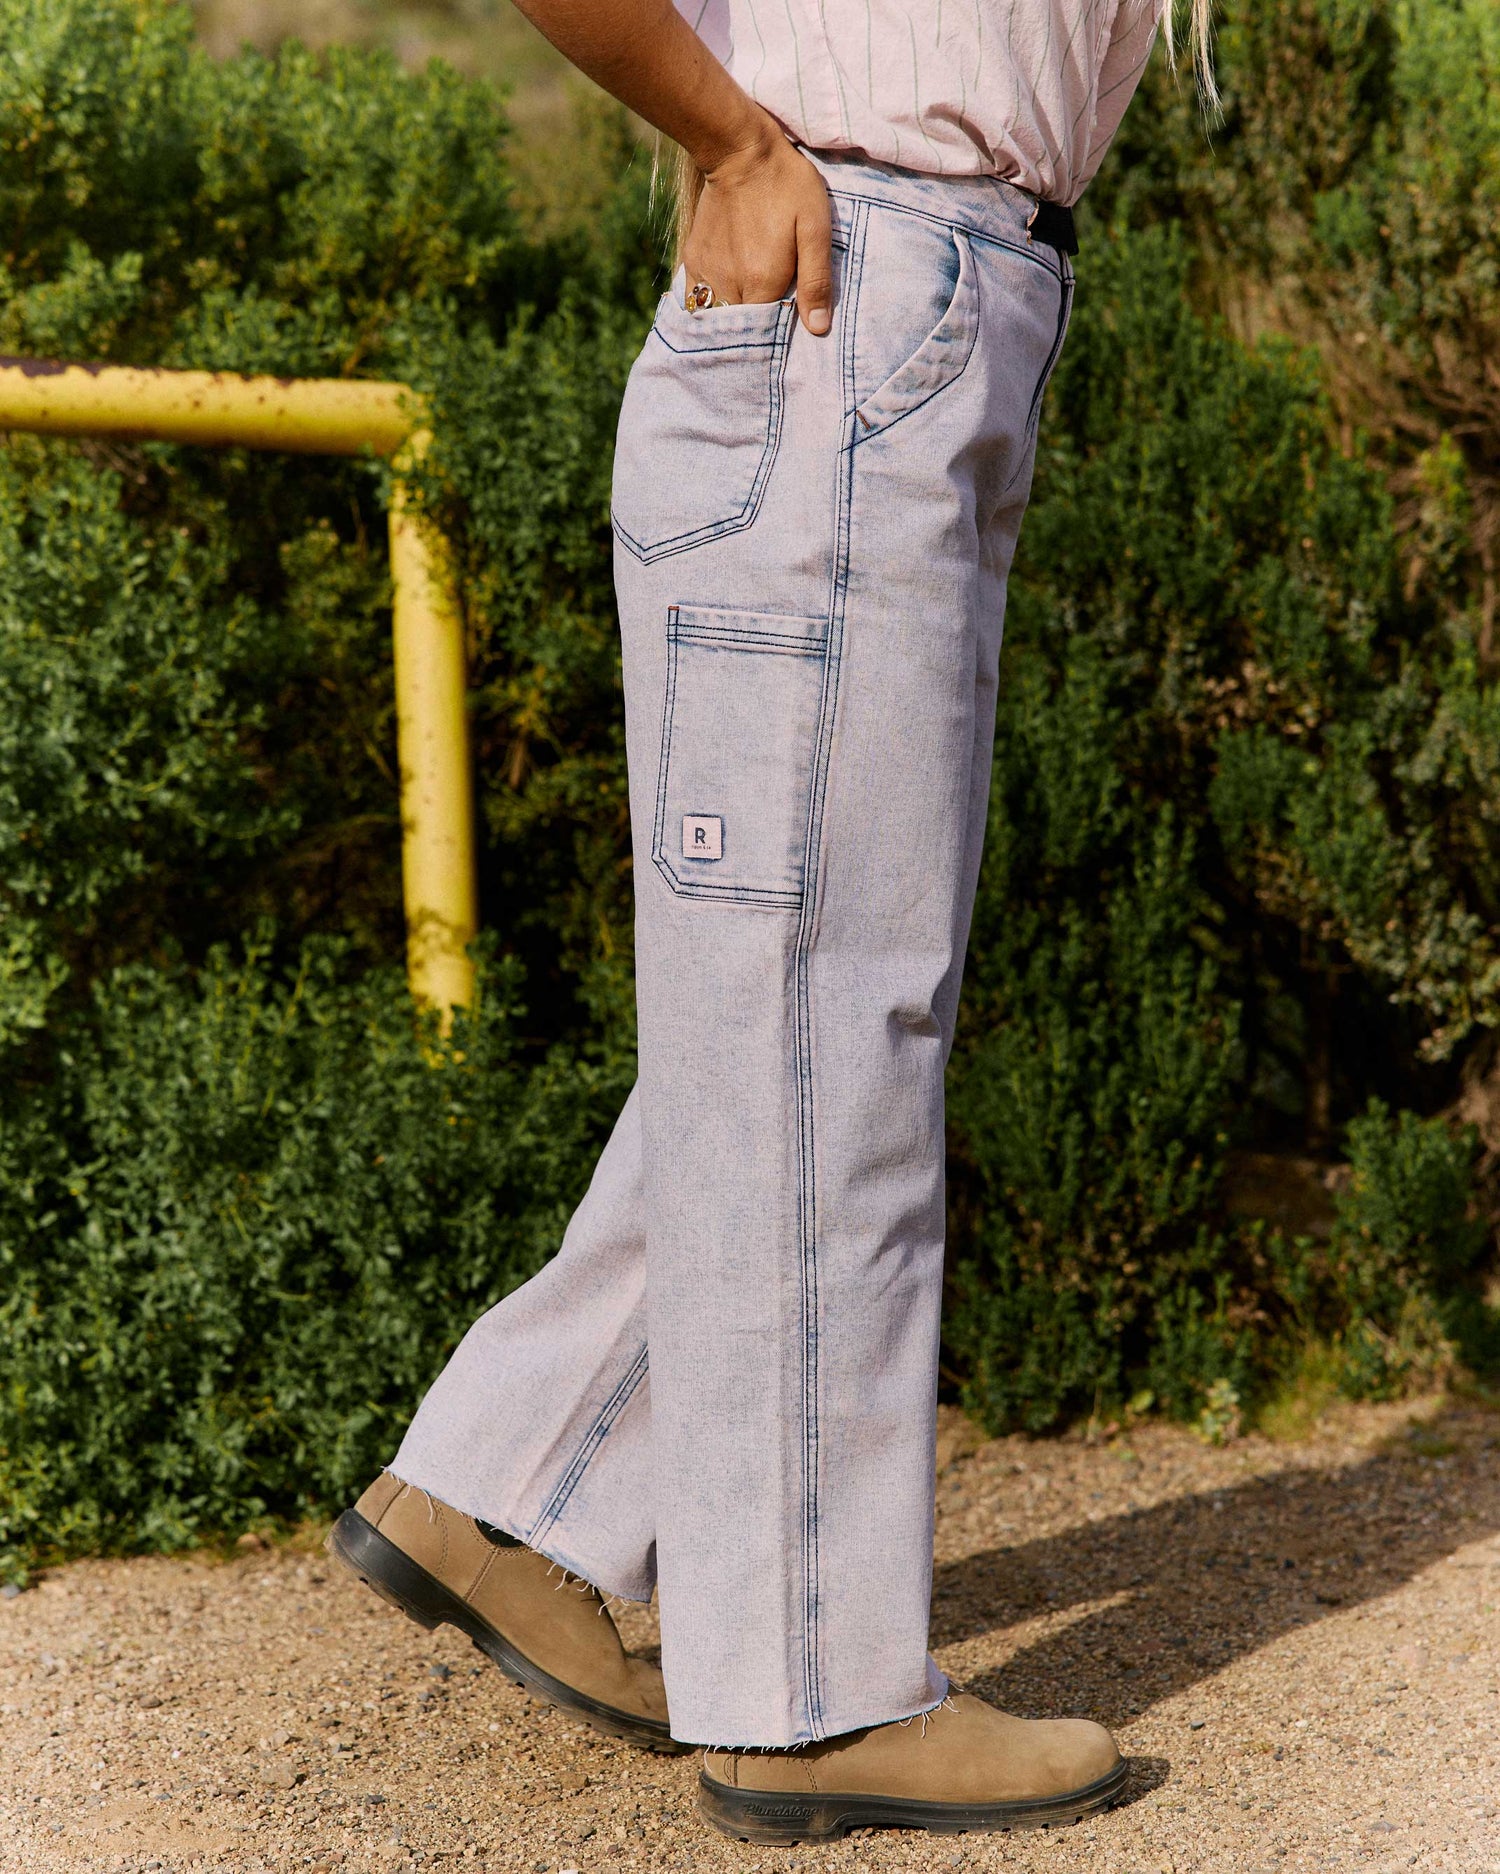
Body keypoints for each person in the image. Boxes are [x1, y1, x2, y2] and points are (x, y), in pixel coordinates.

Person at [329, 0, 1210, 1844]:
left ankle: (517, 1486)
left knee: (799, 997)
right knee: (831, 1014)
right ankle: (810, 1695)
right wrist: (731, 141)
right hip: (853, 291)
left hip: (926, 308)